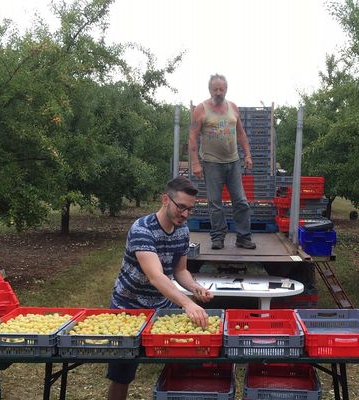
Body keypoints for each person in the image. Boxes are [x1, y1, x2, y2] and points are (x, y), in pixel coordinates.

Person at [106, 176, 214, 400]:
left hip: (160, 308)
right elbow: (156, 276)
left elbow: (180, 271)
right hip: (128, 308)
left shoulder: (182, 231)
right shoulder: (142, 229)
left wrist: (195, 288)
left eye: (190, 209)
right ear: (165, 200)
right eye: (181, 207)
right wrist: (186, 303)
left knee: (181, 365)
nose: (185, 214)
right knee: (122, 374)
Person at [188, 73, 256, 250]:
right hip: (211, 163)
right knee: (215, 202)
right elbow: (193, 137)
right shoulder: (201, 110)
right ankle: (218, 237)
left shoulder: (233, 107)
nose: (218, 92)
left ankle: (243, 237)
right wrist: (195, 163)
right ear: (210, 90)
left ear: (226, 89)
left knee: (241, 201)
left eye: (221, 89)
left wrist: (247, 155)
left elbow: (241, 133)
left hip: (233, 162)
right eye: (215, 89)